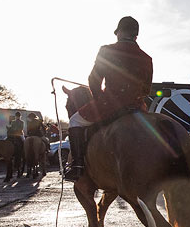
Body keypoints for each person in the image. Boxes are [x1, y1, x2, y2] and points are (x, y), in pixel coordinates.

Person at [65, 16, 153, 181]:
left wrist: (99, 99)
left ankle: (77, 166)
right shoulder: (147, 58)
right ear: (136, 35)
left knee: (74, 121)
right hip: (137, 106)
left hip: (109, 104)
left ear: (119, 33)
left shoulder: (107, 50)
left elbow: (93, 80)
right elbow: (146, 89)